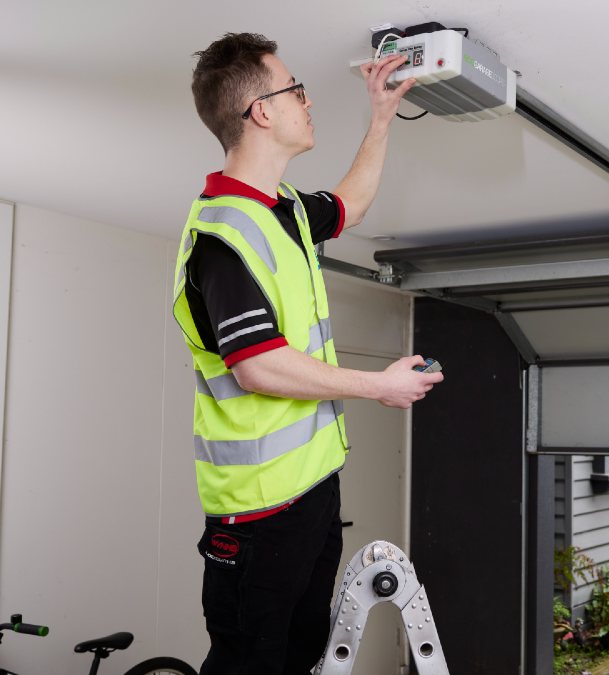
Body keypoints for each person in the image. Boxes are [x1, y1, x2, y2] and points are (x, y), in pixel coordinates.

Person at [170, 32, 443, 675]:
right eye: (295, 89)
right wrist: (380, 386)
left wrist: (380, 118)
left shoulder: (282, 209)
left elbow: (351, 199)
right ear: (261, 111)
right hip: (258, 513)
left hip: (312, 494)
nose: (307, 97)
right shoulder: (222, 237)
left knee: (301, 659)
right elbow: (257, 364)